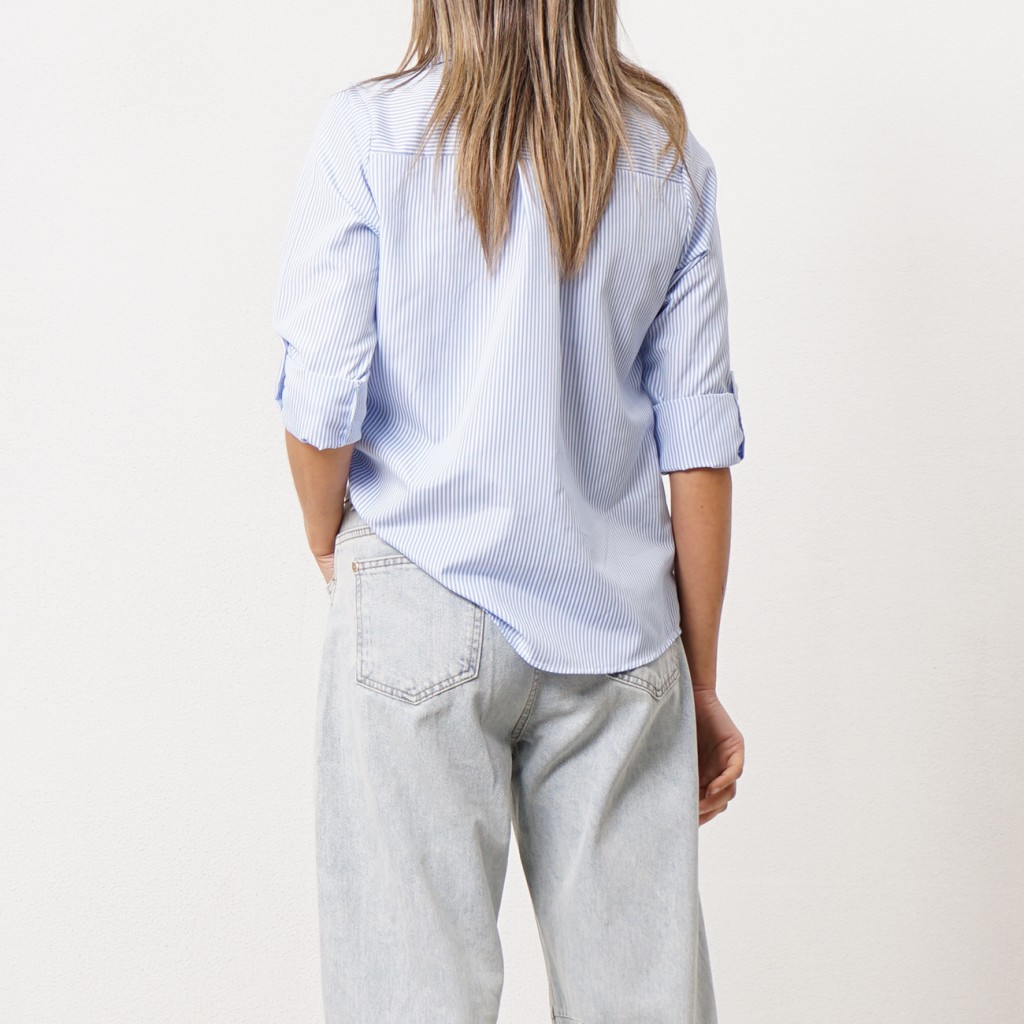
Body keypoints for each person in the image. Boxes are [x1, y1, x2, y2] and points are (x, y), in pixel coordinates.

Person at [270, 3, 746, 1021]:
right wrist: (701, 686)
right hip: (619, 630)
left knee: (408, 1000)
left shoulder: (367, 133)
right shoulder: (667, 158)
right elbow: (697, 452)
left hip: (414, 596)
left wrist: (330, 543)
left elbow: (321, 404)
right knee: (644, 1002)